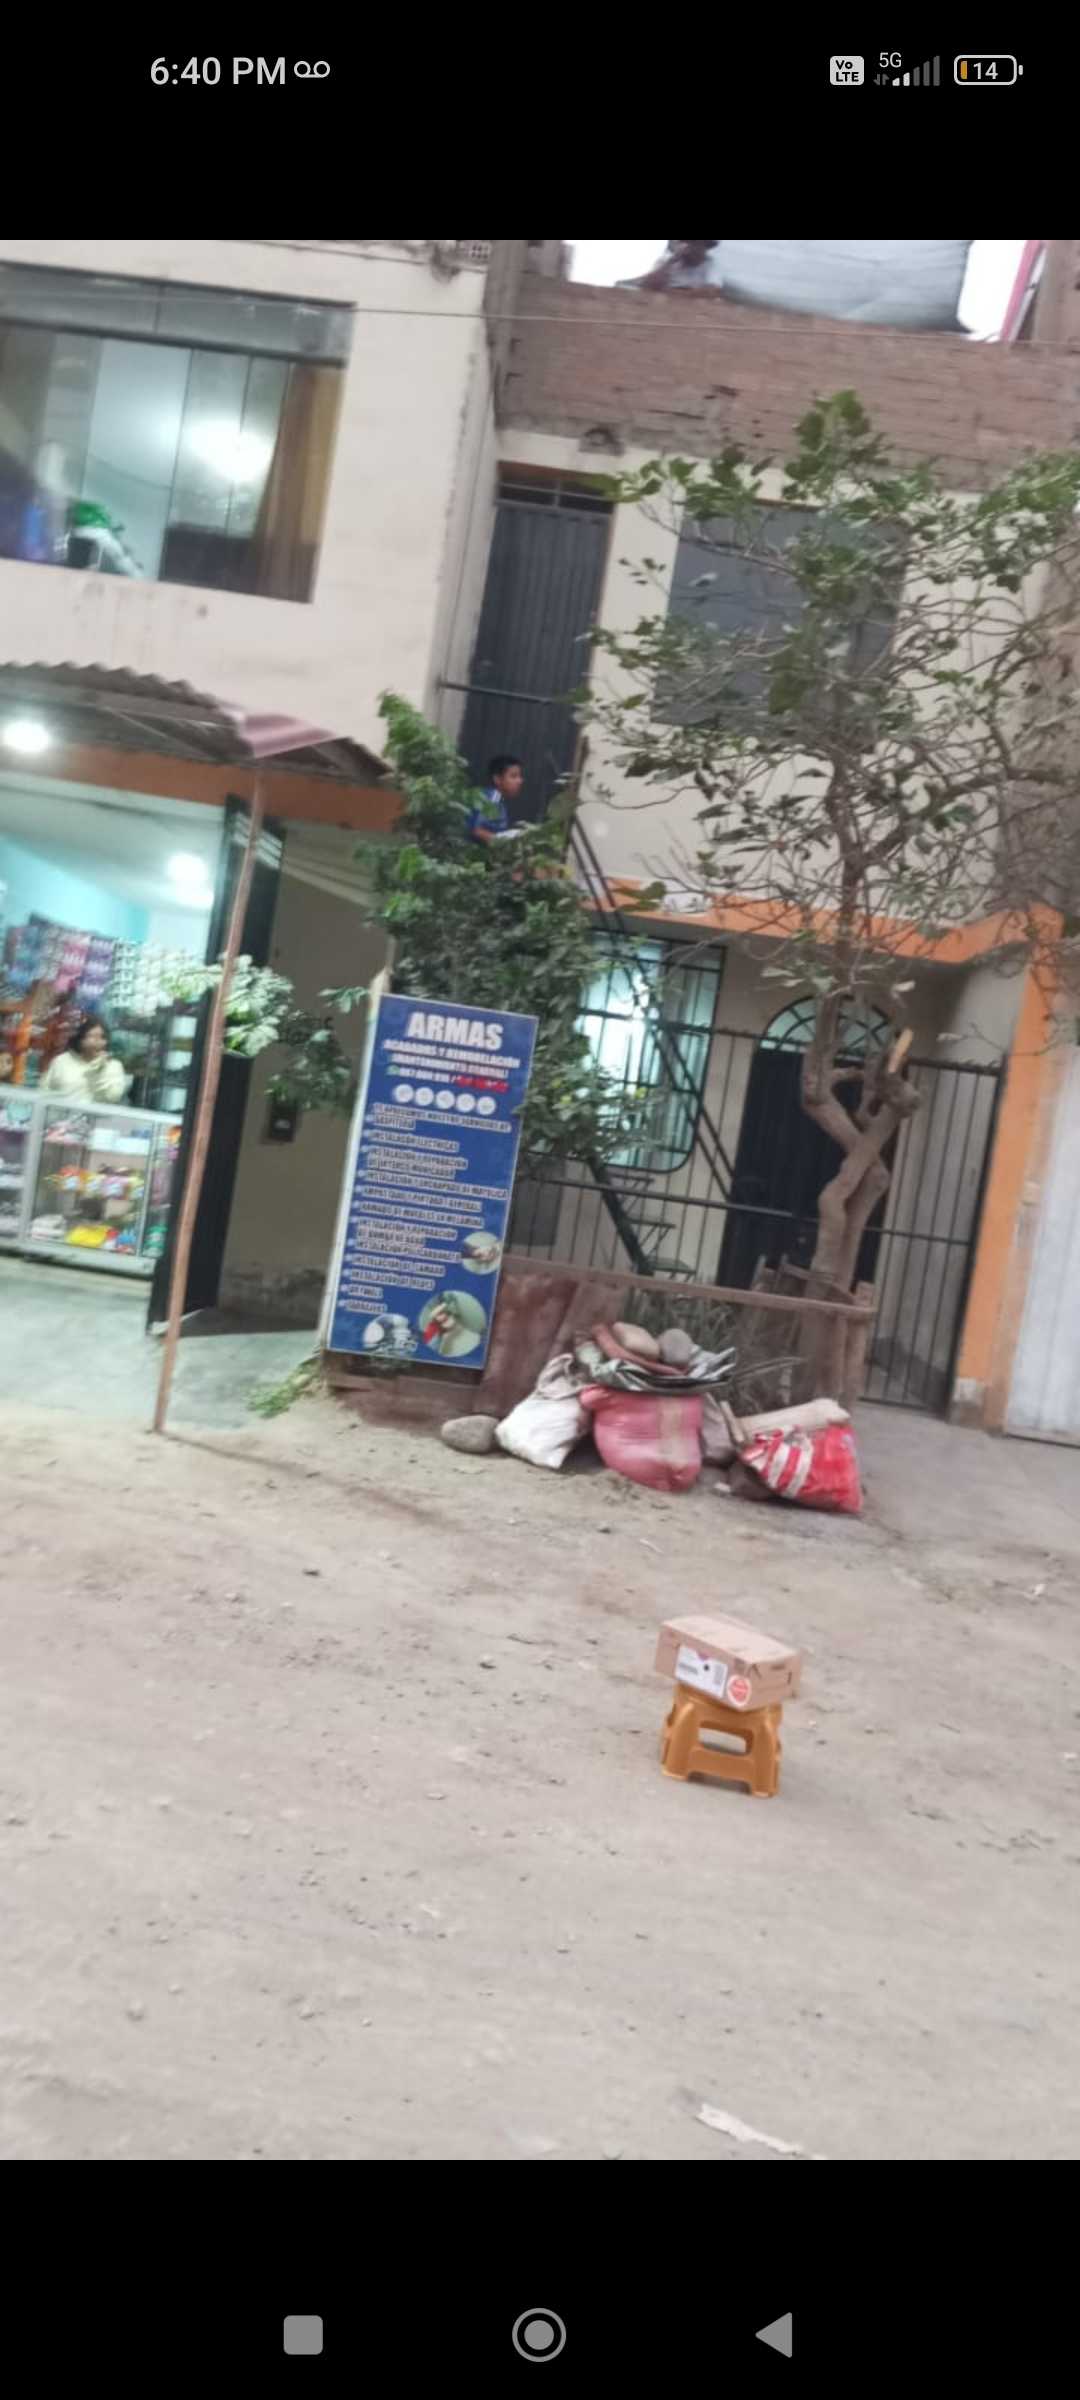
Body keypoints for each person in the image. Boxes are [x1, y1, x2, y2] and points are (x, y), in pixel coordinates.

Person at [41, 1014, 128, 1103]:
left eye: (102, 1037)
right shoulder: (61, 1061)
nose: (98, 1042)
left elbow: (113, 1098)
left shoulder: (113, 1066)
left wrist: (97, 1074)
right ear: (79, 1039)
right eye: (92, 1036)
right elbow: (44, 1091)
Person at [467, 753, 524, 845]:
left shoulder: (498, 800)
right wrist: (502, 842)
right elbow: (475, 830)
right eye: (513, 776)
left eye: (520, 776)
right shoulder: (489, 799)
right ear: (497, 779)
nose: (520, 781)